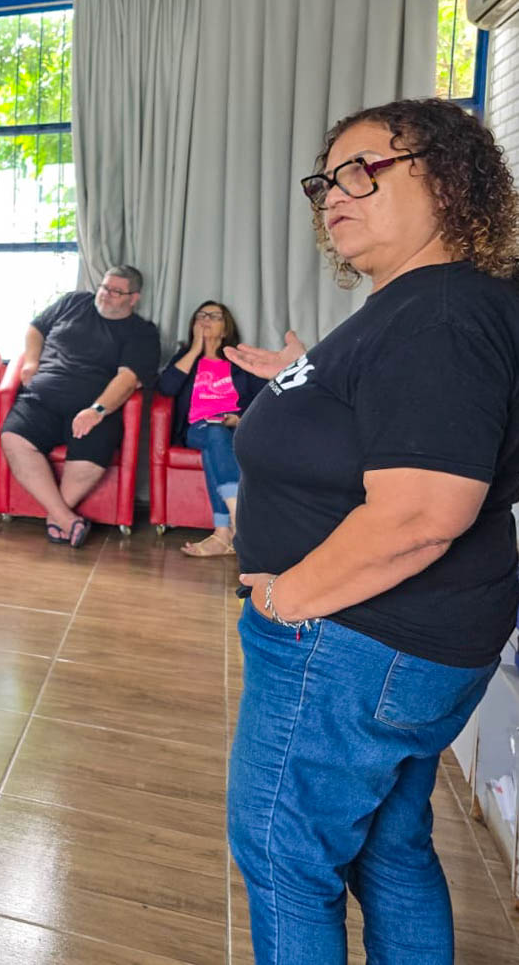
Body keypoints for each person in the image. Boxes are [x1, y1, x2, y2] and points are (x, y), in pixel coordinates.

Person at [224, 98, 519, 964]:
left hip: (355, 640)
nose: (334, 195)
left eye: (363, 171)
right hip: (410, 638)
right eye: (325, 181)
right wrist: (308, 384)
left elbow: (422, 514)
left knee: (283, 859)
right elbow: (397, 424)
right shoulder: (435, 306)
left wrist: (283, 602)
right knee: (389, 849)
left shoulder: (440, 315)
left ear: (450, 181)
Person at [0, 266, 159, 547]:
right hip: (42, 399)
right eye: (104, 287)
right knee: (13, 438)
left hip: (94, 408)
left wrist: (97, 410)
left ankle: (58, 518)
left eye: (116, 291)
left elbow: (127, 379)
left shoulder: (142, 332)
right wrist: (31, 361)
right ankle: (65, 519)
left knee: (91, 454)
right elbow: (36, 328)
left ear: (134, 298)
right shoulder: (74, 302)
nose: (106, 294)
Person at [155, 300, 265, 556]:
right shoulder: (185, 359)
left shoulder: (239, 361)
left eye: (214, 316)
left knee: (213, 446)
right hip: (198, 427)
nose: (206, 320)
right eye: (201, 315)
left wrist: (238, 419)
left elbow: (263, 399)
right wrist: (195, 349)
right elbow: (166, 388)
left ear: (225, 329)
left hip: (234, 428)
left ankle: (222, 535)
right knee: (214, 433)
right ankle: (239, 518)